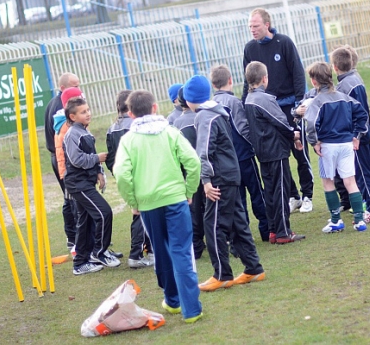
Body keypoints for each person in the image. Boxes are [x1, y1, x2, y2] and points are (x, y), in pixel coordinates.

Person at [113, 90, 203, 324]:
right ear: (155, 108)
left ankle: (172, 299)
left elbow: (121, 174)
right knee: (182, 251)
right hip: (175, 199)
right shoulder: (170, 132)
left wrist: (133, 201)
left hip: (149, 205)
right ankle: (190, 309)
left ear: (131, 114)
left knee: (161, 251)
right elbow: (193, 162)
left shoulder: (128, 140)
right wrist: (188, 190)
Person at [184, 75, 266, 291]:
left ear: (189, 99)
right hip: (231, 174)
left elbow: (205, 151)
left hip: (219, 178)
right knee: (238, 222)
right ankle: (253, 268)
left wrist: (206, 180)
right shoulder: (217, 112)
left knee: (213, 224)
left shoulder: (204, 116)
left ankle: (221, 274)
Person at [242, 8, 314, 214]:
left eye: (255, 26)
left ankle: (308, 194)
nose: (252, 30)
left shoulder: (284, 43)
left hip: (289, 107)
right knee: (279, 155)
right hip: (267, 110)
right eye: (250, 26)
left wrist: (300, 104)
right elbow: (247, 81)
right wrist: (245, 105)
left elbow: (298, 73)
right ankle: (293, 195)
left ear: (267, 24)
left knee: (299, 152)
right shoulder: (249, 49)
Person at [300, 61, 368, 233]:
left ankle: (336, 220)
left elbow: (311, 124)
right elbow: (362, 114)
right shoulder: (345, 97)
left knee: (328, 182)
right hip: (346, 144)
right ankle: (360, 221)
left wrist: (314, 142)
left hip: (328, 146)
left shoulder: (317, 101)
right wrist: (356, 135)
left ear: (314, 81)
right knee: (350, 181)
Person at [244, 61, 305, 244]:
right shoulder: (265, 99)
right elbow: (280, 122)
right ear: (264, 78)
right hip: (275, 151)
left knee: (270, 192)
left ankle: (273, 230)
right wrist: (294, 135)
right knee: (281, 191)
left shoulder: (248, 99)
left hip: (262, 152)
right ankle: (283, 232)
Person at [210, 64, 270, 243]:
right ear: (230, 80)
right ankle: (266, 229)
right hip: (243, 156)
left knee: (238, 199)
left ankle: (243, 237)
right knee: (257, 192)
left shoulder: (211, 106)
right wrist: (255, 145)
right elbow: (242, 128)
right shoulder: (234, 102)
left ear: (213, 85)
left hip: (226, 162)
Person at [62, 97, 119, 275]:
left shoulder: (85, 132)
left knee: (84, 222)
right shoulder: (72, 134)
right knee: (104, 212)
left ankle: (80, 263)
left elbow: (92, 155)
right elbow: (76, 159)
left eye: (88, 110)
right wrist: (97, 159)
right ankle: (99, 252)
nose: (88, 114)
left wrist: (99, 172)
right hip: (77, 183)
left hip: (86, 181)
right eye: (83, 112)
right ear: (73, 116)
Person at [332, 46, 370, 222]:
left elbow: (356, 113)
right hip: (364, 133)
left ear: (335, 67)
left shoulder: (345, 86)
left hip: (357, 137)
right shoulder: (354, 79)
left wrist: (356, 134)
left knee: (363, 173)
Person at [105, 90, 154, 269]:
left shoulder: (112, 128)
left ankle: (150, 250)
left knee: (143, 212)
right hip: (140, 175)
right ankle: (136, 255)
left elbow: (111, 158)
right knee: (141, 215)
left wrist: (118, 174)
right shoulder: (136, 125)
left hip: (125, 176)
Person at [44, 72, 80, 253]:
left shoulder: (54, 102)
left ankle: (75, 237)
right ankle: (75, 238)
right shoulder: (60, 107)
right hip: (62, 158)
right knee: (72, 198)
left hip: (58, 156)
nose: (78, 88)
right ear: (63, 88)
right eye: (74, 85)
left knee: (69, 198)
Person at [173, 86, 206, 259]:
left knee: (194, 209)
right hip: (207, 168)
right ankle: (222, 239)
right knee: (211, 205)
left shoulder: (176, 122)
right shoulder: (203, 116)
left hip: (188, 172)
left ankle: (197, 245)